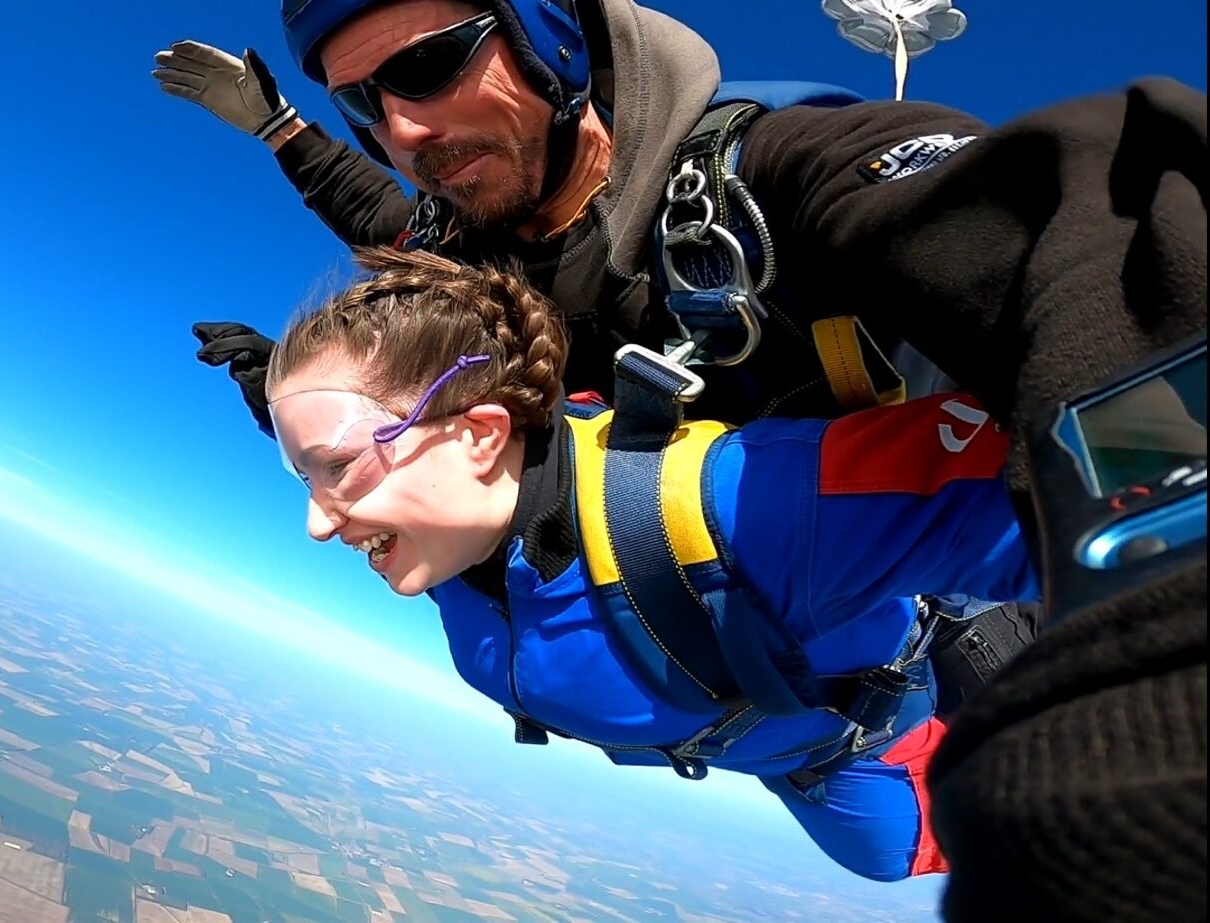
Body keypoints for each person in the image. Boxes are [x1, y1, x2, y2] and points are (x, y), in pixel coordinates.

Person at [158, 0, 1047, 745]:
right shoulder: (468, 253)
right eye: (361, 99)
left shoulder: (762, 186)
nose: (399, 126)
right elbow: (374, 207)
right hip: (736, 664)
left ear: (552, 35)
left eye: (429, 65)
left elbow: (1030, 231)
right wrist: (337, 427)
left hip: (938, 610)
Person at [265, 244, 1039, 882]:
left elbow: (1094, 479)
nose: (314, 523)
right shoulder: (456, 537)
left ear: (476, 435)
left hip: (862, 764)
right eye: (307, 475)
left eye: (333, 467)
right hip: (771, 741)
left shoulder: (740, 509)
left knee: (917, 852)